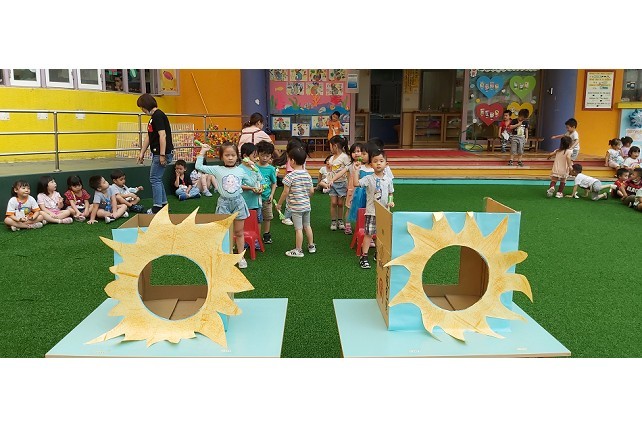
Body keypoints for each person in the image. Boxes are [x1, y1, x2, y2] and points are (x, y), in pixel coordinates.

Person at [195, 142, 254, 269]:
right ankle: (225, 255)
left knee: (239, 232)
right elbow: (198, 166)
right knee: (223, 232)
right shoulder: (217, 169)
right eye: (227, 155)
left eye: (233, 155)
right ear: (222, 157)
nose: (230, 158)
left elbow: (252, 181)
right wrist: (203, 151)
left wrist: (252, 168)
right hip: (223, 203)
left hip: (238, 202)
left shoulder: (241, 170)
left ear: (237, 156)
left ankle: (240, 257)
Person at [352, 147, 394, 269]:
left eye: (381, 161)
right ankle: (364, 256)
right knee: (368, 234)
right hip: (371, 212)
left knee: (382, 235)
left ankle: (378, 253)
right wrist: (356, 171)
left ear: (386, 164)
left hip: (385, 212)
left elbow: (391, 193)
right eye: (375, 161)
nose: (378, 163)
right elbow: (356, 184)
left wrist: (391, 202)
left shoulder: (388, 180)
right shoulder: (369, 178)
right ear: (371, 165)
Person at [136, 93, 174, 215]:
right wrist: (142, 152)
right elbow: (149, 136)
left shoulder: (158, 116)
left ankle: (157, 207)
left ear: (145, 105)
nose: (142, 110)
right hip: (158, 153)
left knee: (154, 178)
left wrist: (162, 154)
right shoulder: (154, 117)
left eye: (142, 107)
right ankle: (163, 204)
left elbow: (162, 135)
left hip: (161, 153)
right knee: (157, 178)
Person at [276, 146, 316, 258]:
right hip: (306, 205)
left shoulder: (290, 176)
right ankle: (311, 246)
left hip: (296, 207)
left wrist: (279, 204)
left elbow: (285, 192)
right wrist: (306, 197)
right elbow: (312, 191)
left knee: (298, 229)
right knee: (307, 226)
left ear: (292, 161)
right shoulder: (307, 174)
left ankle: (298, 250)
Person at [239, 143, 265, 249]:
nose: (257, 158)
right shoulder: (239, 169)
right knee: (244, 221)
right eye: (254, 156)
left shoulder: (255, 167)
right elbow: (238, 185)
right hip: (244, 202)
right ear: (245, 156)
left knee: (257, 221)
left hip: (256, 201)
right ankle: (244, 241)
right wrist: (251, 188)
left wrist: (261, 188)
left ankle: (256, 240)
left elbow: (262, 181)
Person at [325, 135, 351, 231]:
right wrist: (328, 180)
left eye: (331, 146)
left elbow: (348, 171)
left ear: (335, 146)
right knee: (333, 202)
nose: (330, 148)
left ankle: (340, 221)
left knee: (340, 203)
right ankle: (333, 221)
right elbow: (330, 171)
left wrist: (349, 184)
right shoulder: (331, 158)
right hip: (332, 184)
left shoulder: (345, 157)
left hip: (342, 183)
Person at [256, 140, 278, 244]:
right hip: (255, 197)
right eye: (262, 155)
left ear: (270, 156)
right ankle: (256, 235)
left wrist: (272, 194)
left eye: (267, 156)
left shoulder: (271, 169)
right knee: (256, 218)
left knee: (267, 217)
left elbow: (274, 183)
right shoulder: (254, 167)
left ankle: (266, 235)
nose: (265, 158)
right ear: (258, 154)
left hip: (267, 197)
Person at [343, 143, 366, 235]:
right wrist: (332, 179)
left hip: (362, 191)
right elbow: (342, 172)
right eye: (353, 152)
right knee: (349, 207)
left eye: (358, 151)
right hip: (351, 190)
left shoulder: (366, 166)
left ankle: (360, 226)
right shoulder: (350, 165)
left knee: (361, 208)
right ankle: (347, 225)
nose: (356, 154)